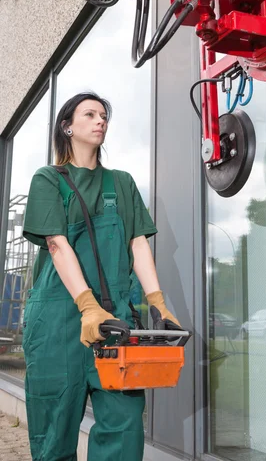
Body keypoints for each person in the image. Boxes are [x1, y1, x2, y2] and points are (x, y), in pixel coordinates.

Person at [22, 92, 181, 461]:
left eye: (104, 115)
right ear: (67, 126)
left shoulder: (121, 183)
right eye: (90, 114)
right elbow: (57, 244)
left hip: (115, 323)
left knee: (124, 427)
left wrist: (158, 303)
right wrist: (87, 306)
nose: (100, 121)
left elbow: (138, 244)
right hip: (58, 323)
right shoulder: (49, 179)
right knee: (54, 433)